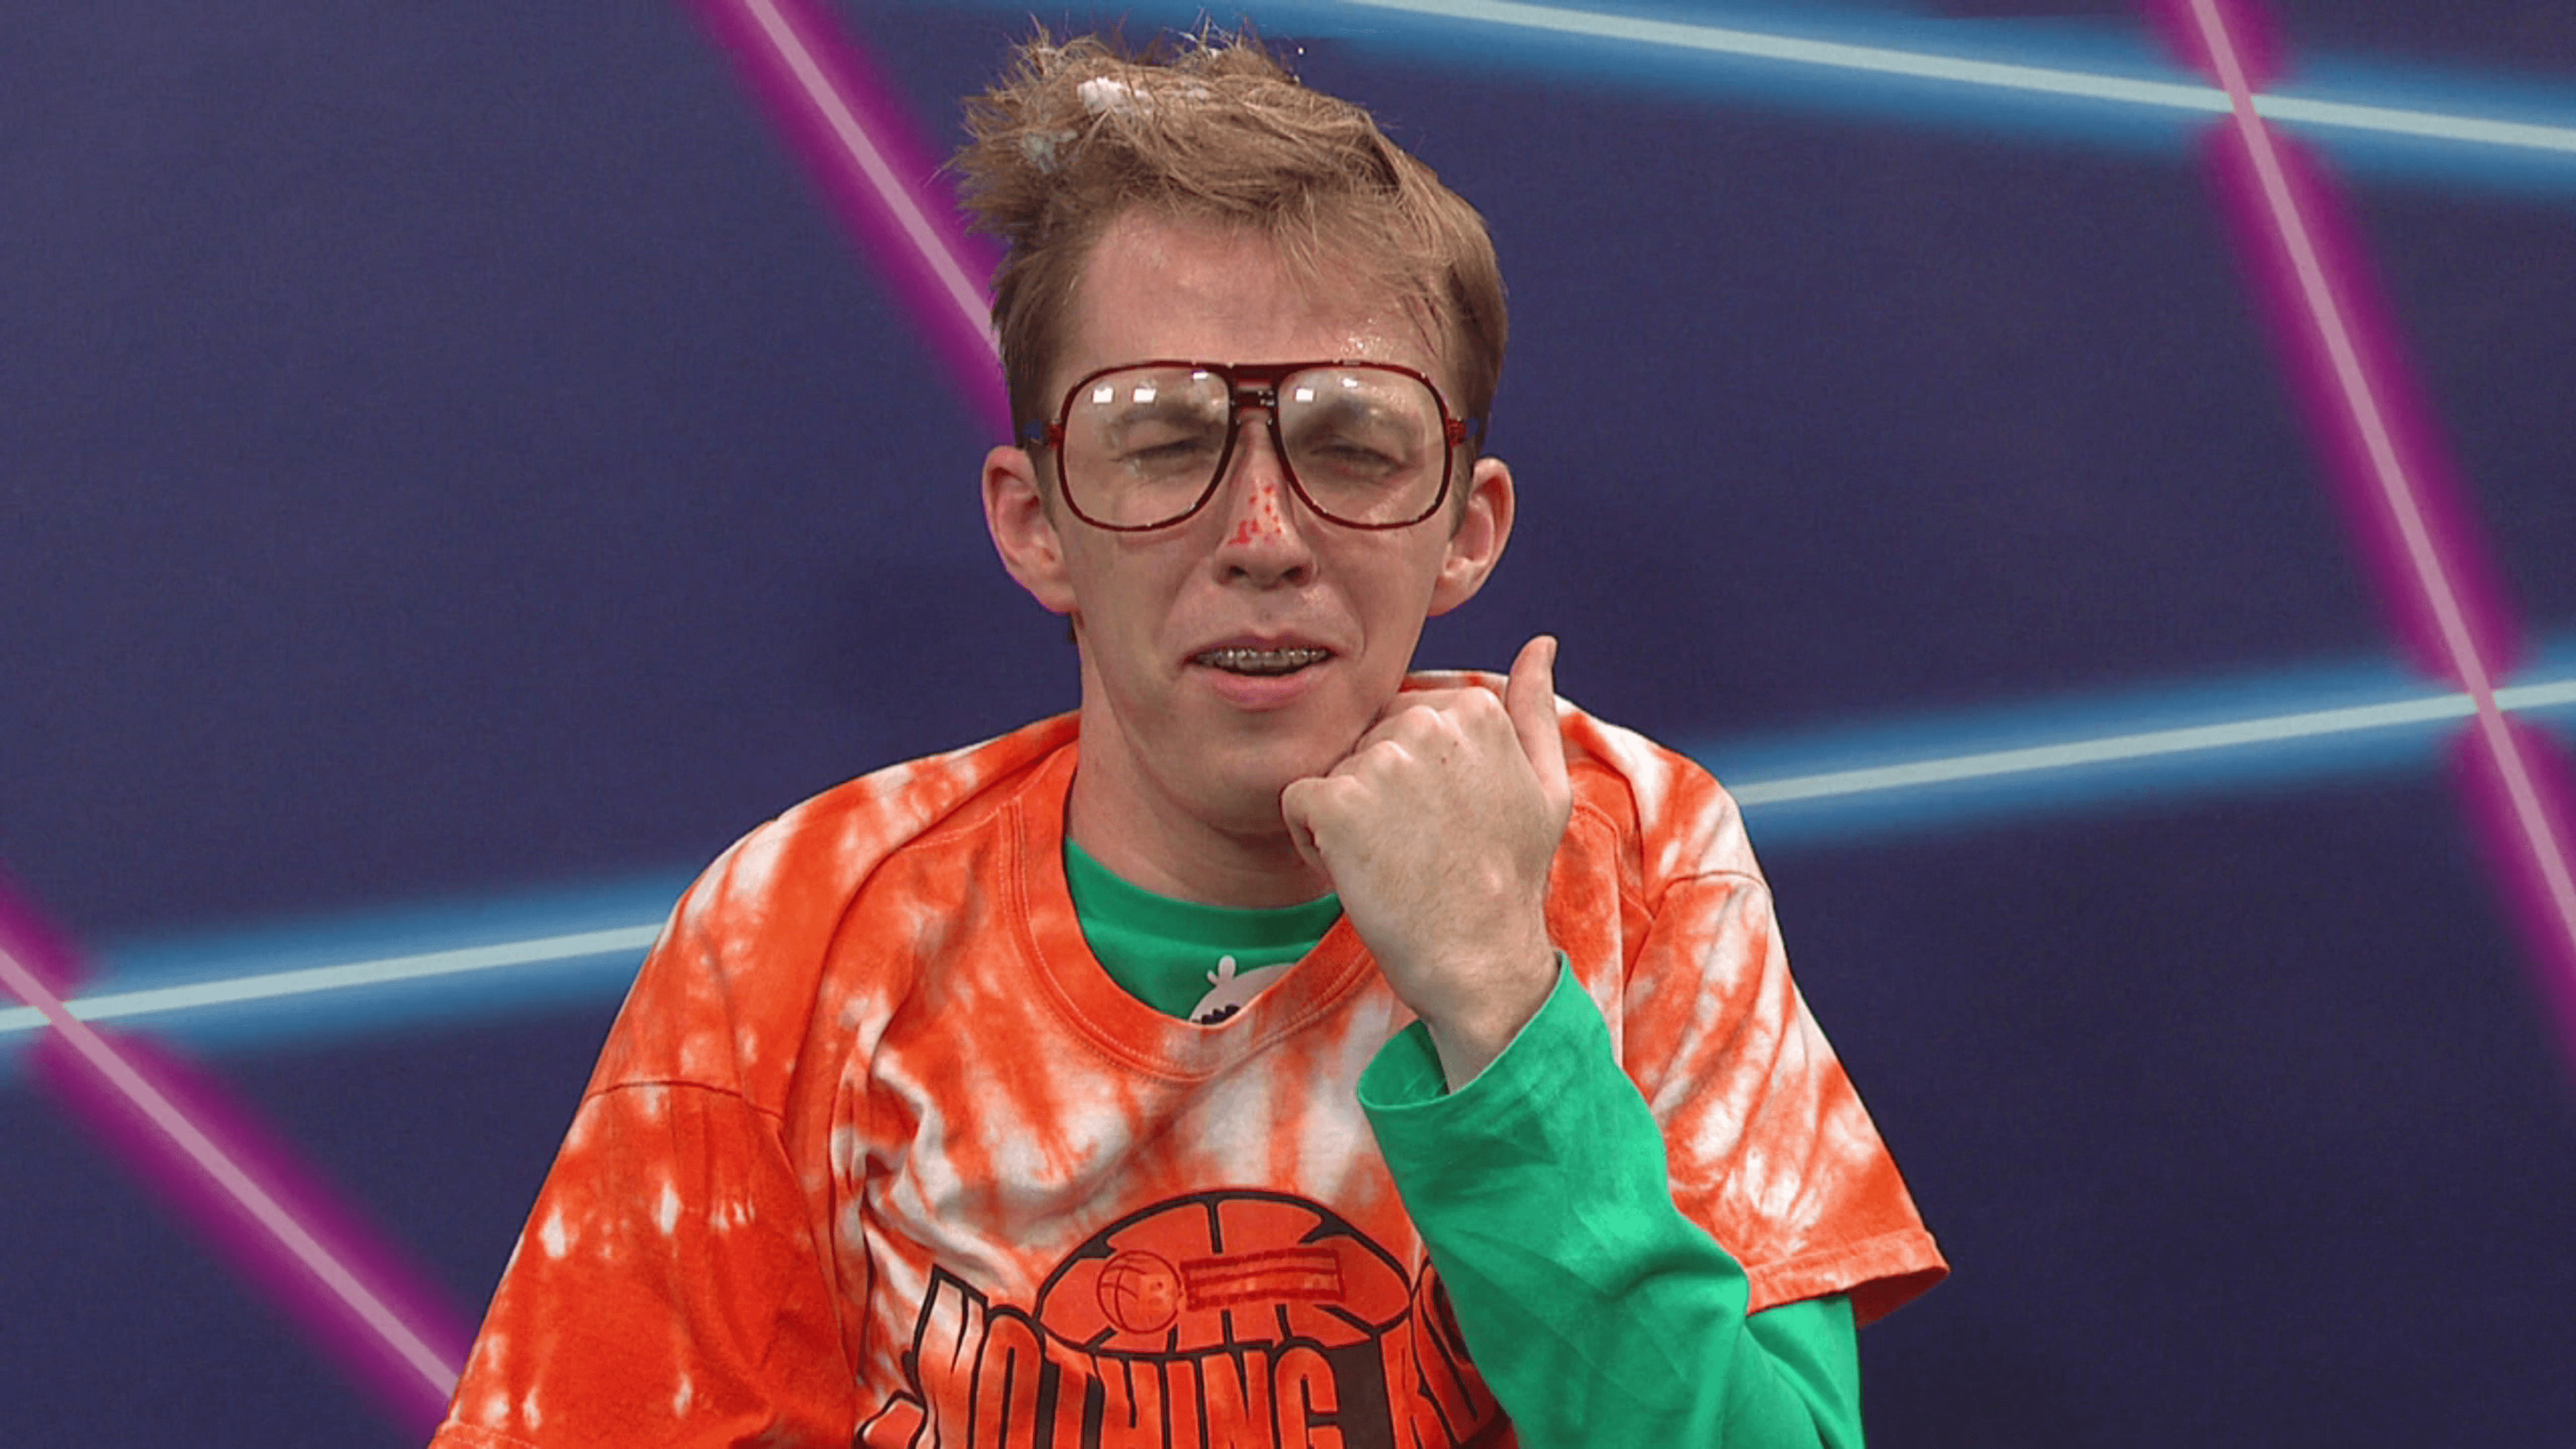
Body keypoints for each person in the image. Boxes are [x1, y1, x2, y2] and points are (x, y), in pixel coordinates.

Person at [430, 31, 1943, 1449]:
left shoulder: (1641, 866)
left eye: (1354, 441)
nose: (1264, 533)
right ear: (1035, 524)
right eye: (1162, 439)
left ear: (1468, 529)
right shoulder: (795, 941)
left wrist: (1499, 1003)